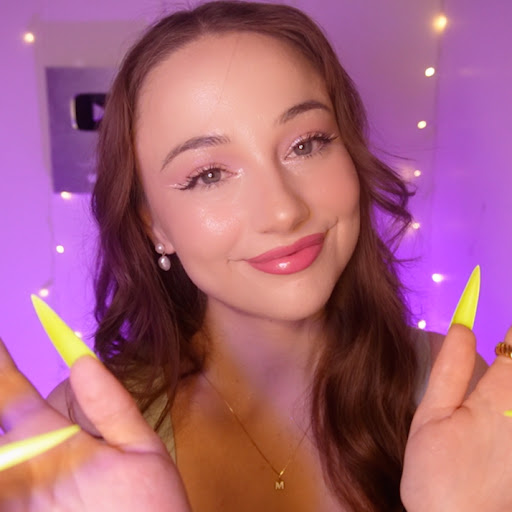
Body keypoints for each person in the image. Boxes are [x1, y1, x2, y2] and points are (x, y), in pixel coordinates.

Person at [1, 1, 511, 510]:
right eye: (209, 175)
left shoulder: (457, 391)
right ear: (153, 225)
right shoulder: (82, 433)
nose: (283, 211)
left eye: (307, 144)